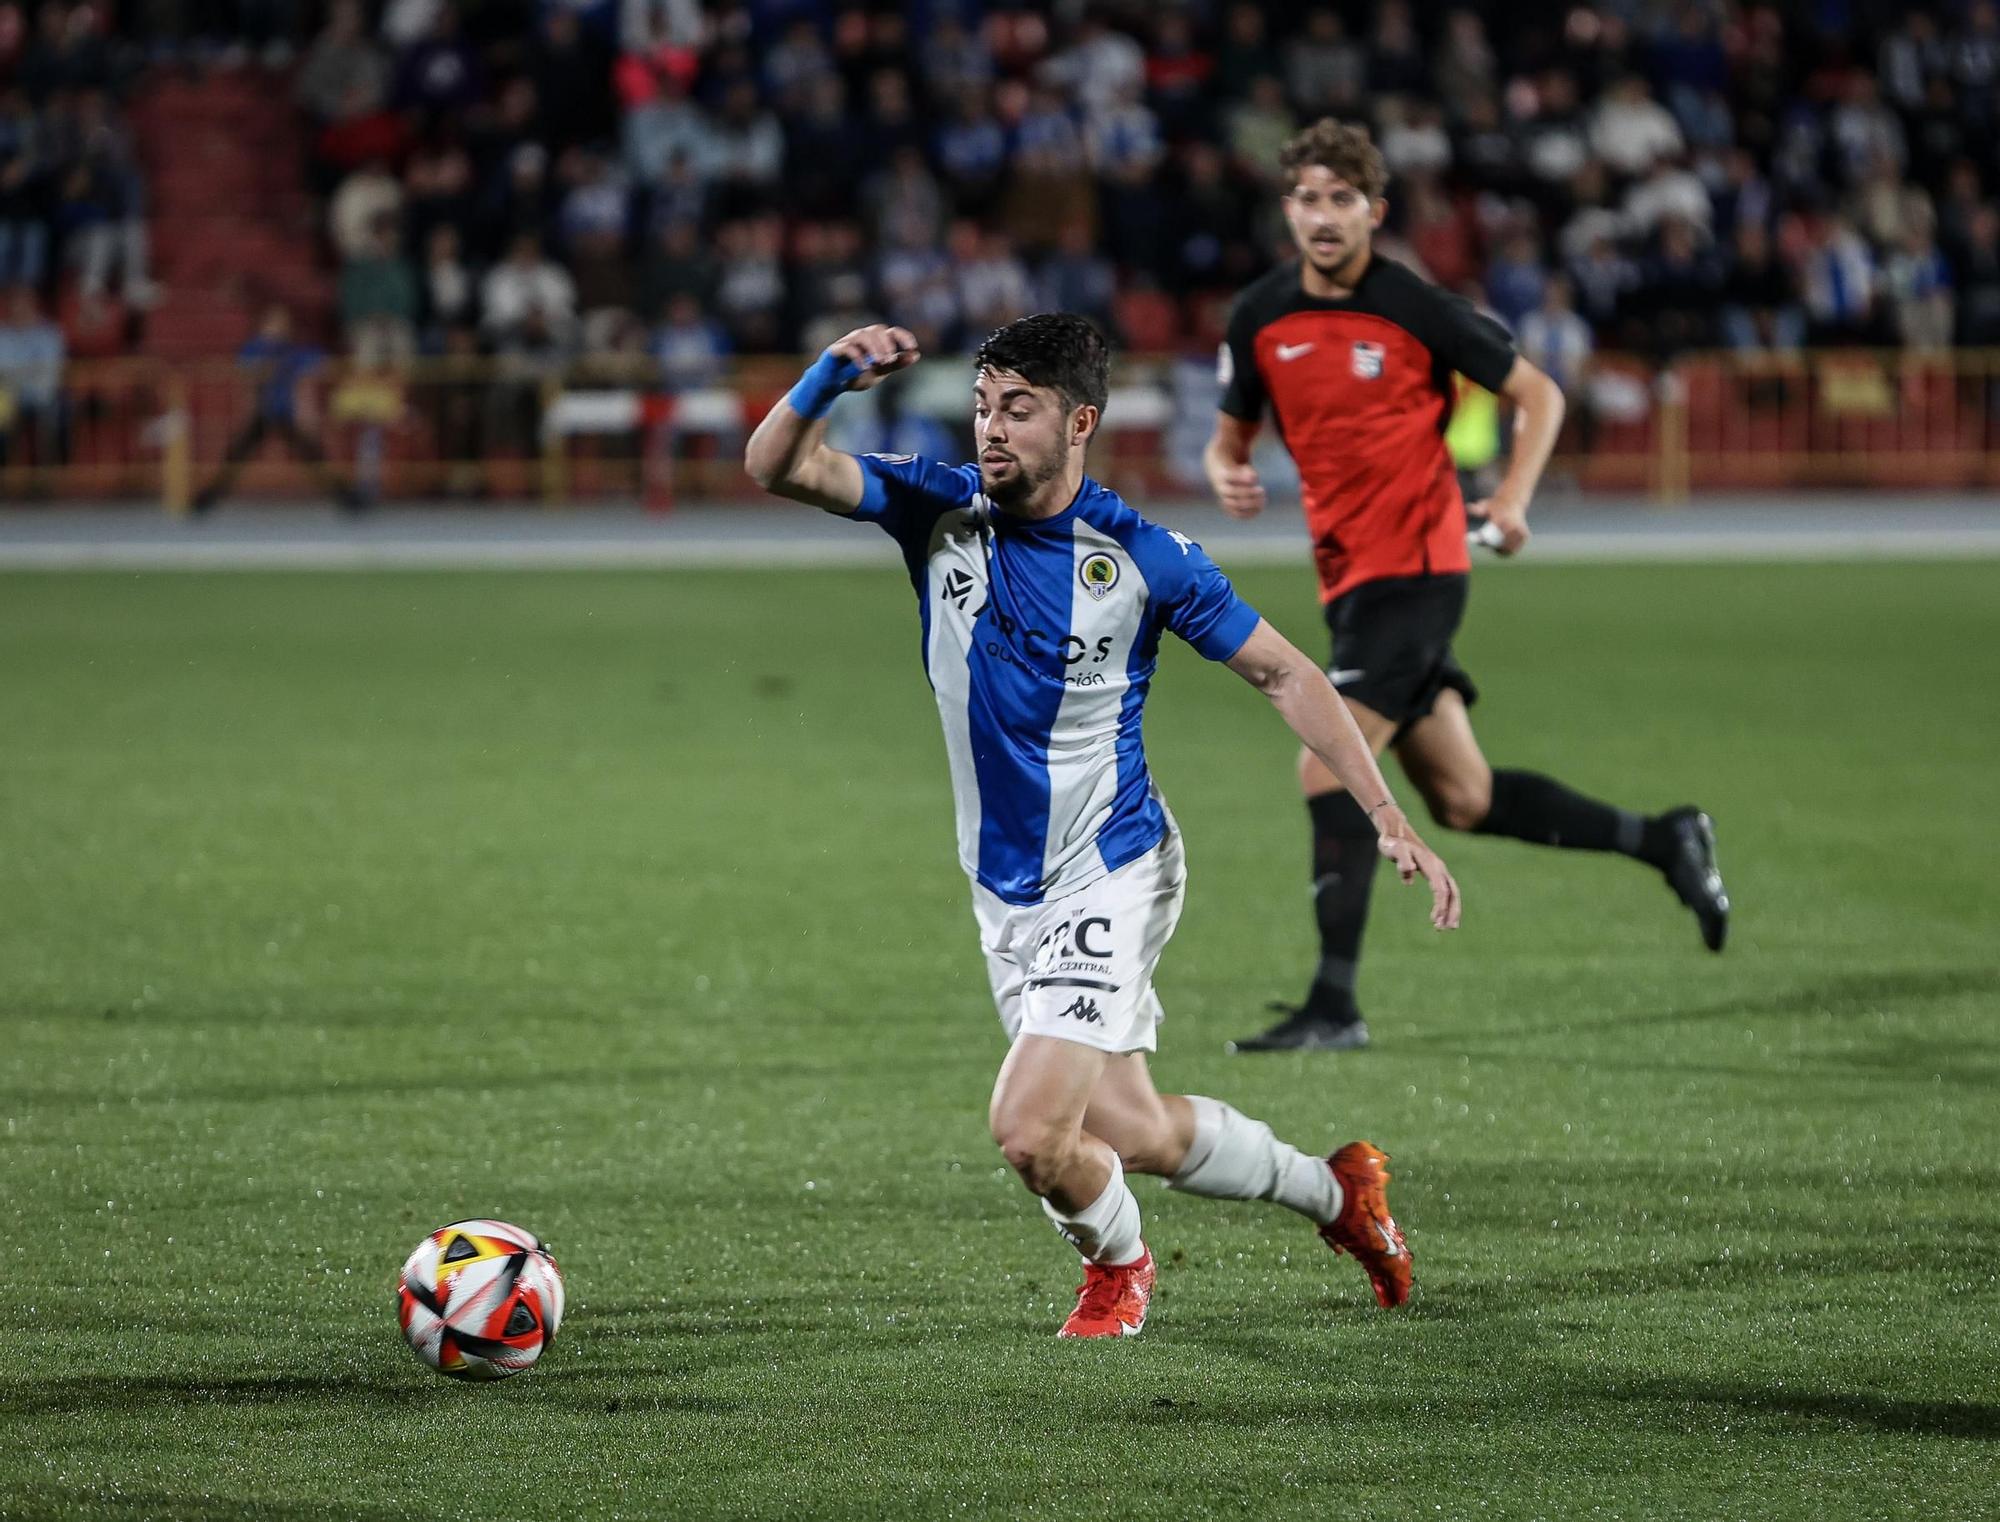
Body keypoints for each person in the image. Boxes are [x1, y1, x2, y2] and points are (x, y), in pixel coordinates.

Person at [743, 312, 1460, 1338]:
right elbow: (777, 465)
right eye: (982, 407)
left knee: (1031, 1132)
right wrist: (826, 375)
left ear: (1079, 423)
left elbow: (1284, 672)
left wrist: (1385, 812)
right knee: (1133, 1131)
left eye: (1018, 410)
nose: (991, 429)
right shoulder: (936, 507)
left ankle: (1119, 1268)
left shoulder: (1142, 557)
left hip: (1112, 866)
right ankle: (1336, 1191)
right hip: (1003, 885)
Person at [1204, 119, 1729, 1055]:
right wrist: (1225, 470)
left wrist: (1513, 498)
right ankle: (1666, 839)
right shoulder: (1260, 316)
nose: (1323, 217)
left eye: (1342, 199)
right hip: (1350, 581)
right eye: (1308, 199)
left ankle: (1335, 1004)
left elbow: (1541, 394)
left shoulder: (1414, 305)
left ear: (1375, 211)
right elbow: (1228, 435)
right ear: (1287, 209)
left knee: (1326, 763)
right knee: (1464, 799)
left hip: (1419, 567)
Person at [192, 305, 359, 514]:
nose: (277, 328)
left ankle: (346, 498)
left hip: (287, 413)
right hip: (262, 413)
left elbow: (320, 362)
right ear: (263, 325)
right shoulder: (254, 349)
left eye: (281, 323)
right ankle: (207, 498)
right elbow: (247, 370)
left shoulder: (294, 350)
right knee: (236, 454)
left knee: (314, 455)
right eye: (273, 323)